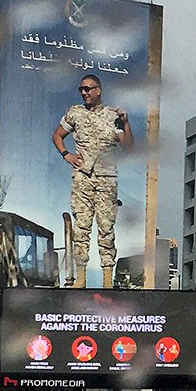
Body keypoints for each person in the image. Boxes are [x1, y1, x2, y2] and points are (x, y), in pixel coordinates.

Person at [52, 73, 133, 287]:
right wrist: (66, 155)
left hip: (106, 180)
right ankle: (81, 278)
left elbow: (128, 147)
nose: (84, 92)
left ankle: (107, 279)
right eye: (81, 89)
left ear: (98, 90)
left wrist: (126, 124)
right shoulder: (75, 113)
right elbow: (57, 135)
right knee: (81, 227)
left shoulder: (112, 116)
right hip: (83, 178)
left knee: (106, 227)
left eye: (88, 89)